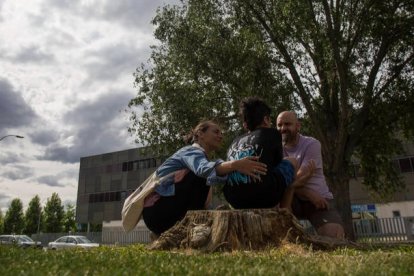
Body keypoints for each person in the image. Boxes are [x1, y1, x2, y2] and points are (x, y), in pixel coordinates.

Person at [142, 120, 267, 235]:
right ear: (200, 134)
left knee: (212, 176)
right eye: (216, 132)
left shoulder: (201, 157)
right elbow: (203, 169)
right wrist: (235, 164)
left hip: (163, 214)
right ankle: (193, 225)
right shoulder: (190, 152)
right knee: (203, 175)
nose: (221, 136)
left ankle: (192, 225)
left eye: (221, 133)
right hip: (157, 212)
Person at [276, 111, 345, 238]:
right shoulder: (275, 148)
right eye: (279, 125)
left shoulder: (311, 144)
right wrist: (307, 192)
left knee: (334, 236)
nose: (283, 128)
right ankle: (287, 237)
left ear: (298, 126)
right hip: (291, 200)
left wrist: (293, 183)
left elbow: (299, 177)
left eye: (287, 124)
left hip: (318, 200)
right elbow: (276, 182)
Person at [223, 97, 301, 210]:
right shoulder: (273, 134)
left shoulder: (235, 141)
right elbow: (277, 164)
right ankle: (285, 208)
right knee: (291, 161)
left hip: (233, 200)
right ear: (265, 119)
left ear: (245, 123)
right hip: (264, 197)